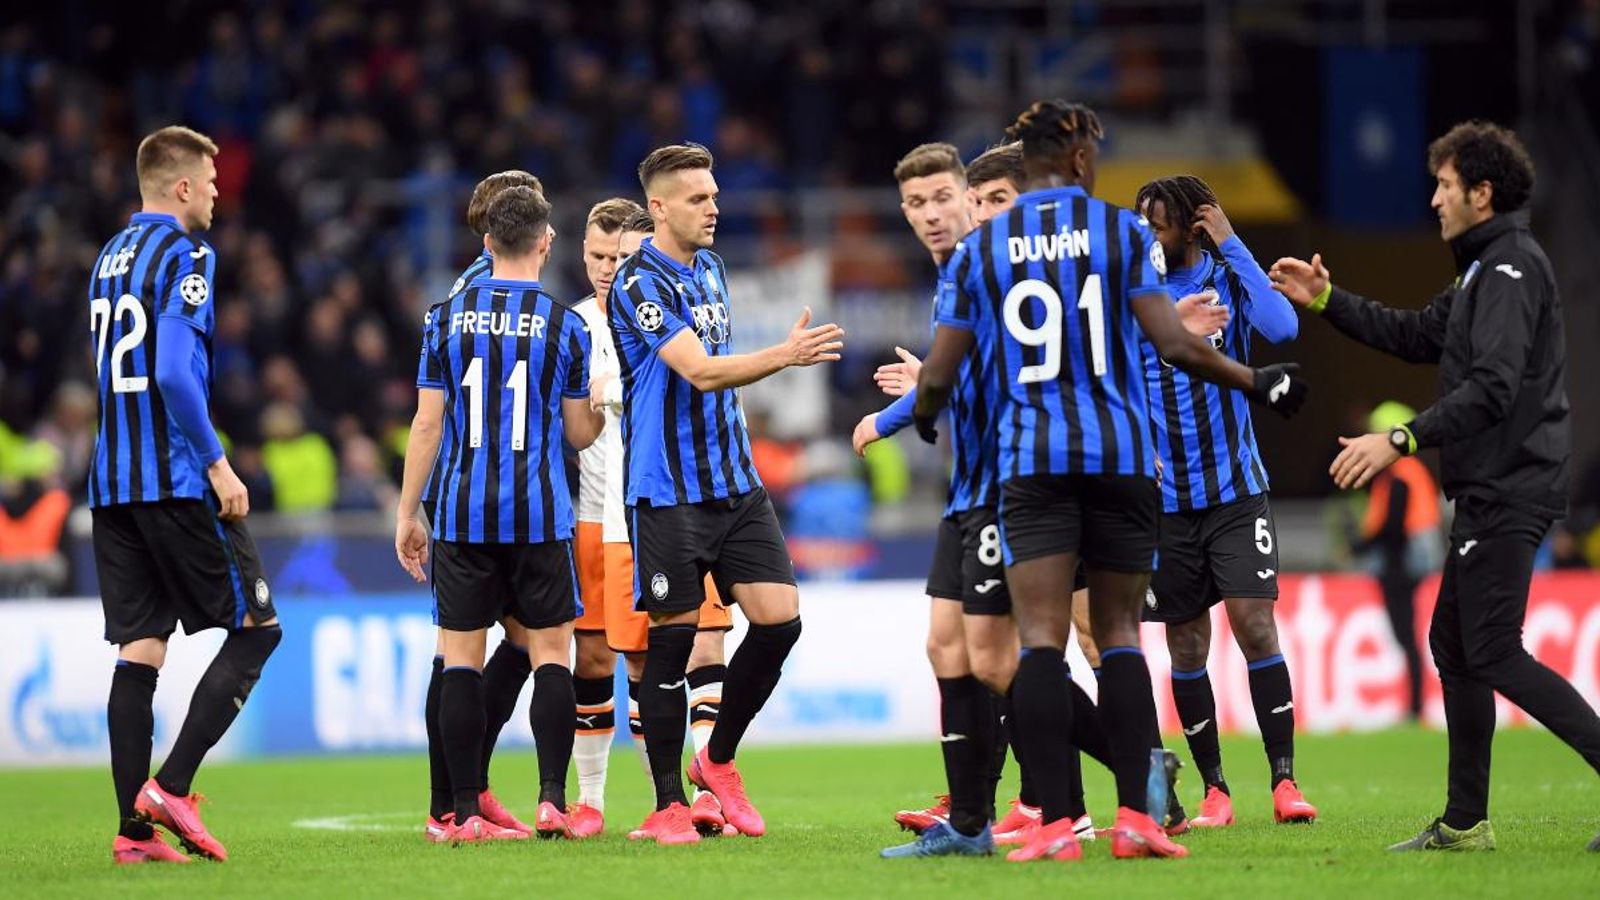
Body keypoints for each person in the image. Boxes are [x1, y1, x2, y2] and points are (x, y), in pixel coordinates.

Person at [914, 99, 1307, 863]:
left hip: (1031, 465)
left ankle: (1059, 823)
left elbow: (943, 366)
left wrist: (928, 411)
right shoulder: (1122, 233)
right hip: (1123, 461)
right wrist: (1256, 381)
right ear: (1083, 158)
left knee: (1039, 642)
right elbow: (1173, 341)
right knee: (1122, 636)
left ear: (1020, 164)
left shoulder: (983, 249)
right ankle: (1138, 818)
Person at [1269, 120, 1600, 853]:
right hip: (1494, 483)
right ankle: (1463, 821)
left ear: (1482, 193)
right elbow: (1418, 334)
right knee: (1456, 643)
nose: (1434, 200)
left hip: (1512, 482)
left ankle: (1468, 818)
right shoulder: (1484, 270)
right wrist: (1328, 301)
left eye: (1445, 186)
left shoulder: (1511, 269)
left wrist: (1400, 439)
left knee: (1488, 647)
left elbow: (1493, 387)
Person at [609, 142, 843, 844]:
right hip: (668, 489)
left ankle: (717, 758)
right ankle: (667, 803)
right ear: (659, 207)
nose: (714, 208)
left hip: (733, 482)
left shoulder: (710, 268)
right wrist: (784, 355)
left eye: (713, 196)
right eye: (698, 199)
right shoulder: (637, 282)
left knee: (780, 621)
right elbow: (700, 372)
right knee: (671, 648)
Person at [91, 126, 282, 865]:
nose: (214, 192)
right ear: (178, 187)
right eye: (207, 181)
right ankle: (170, 786)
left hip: (114, 483)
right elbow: (172, 372)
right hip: (173, 478)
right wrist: (217, 463)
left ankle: (132, 834)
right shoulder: (189, 255)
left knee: (140, 652)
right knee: (258, 629)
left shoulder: (107, 259)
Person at [394, 185, 604, 843]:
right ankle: (550, 801)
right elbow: (577, 434)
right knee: (549, 657)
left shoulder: (445, 318)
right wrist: (597, 404)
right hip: (540, 514)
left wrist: (408, 512)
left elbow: (427, 424)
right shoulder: (565, 325)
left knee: (461, 660)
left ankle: (456, 814)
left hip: (460, 515)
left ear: (486, 243)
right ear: (547, 242)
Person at [1133, 175, 1318, 827]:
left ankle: (1285, 782)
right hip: (1164, 505)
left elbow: (1283, 325)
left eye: (1159, 224)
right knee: (1185, 646)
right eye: (1141, 223)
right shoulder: (1136, 294)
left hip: (1236, 491)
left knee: (1254, 624)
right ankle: (1215, 789)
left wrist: (1234, 242)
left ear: (1192, 225)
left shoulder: (1225, 275)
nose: (1148, 235)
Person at [569, 199, 736, 838]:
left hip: (693, 501)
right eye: (598, 257)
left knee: (705, 646)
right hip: (610, 517)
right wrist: (591, 397)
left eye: (620, 256)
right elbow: (576, 432)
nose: (610, 268)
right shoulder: (578, 326)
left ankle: (709, 786)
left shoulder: (677, 301)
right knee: (627, 663)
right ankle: (618, 799)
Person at [416, 170, 545, 842]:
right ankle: (453, 799)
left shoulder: (464, 289)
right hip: (490, 497)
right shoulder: (487, 294)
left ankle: (464, 791)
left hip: (468, 495)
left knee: (484, 649)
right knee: (464, 653)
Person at [1354, 401, 1442, 722]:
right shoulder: (1409, 473)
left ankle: (1416, 706)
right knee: (1408, 637)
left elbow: (1392, 528)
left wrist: (1359, 546)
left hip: (1400, 566)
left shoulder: (1398, 477)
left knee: (1406, 636)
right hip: (1408, 563)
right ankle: (1415, 705)